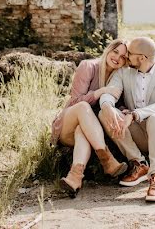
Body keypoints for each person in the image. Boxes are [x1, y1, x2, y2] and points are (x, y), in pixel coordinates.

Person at [98, 36, 155, 203]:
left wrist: (135, 114)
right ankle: (139, 163)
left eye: (129, 53)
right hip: (138, 132)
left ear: (142, 58)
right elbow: (110, 92)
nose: (125, 56)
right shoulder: (123, 72)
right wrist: (107, 105)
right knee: (104, 113)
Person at [51, 38, 130, 196]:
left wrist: (126, 112)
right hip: (68, 122)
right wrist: (99, 92)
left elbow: (119, 103)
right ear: (109, 50)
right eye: (115, 52)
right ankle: (106, 158)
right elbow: (74, 101)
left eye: (123, 57)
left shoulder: (120, 76)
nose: (117, 58)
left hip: (89, 130)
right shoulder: (88, 66)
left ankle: (74, 177)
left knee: (83, 130)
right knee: (83, 107)